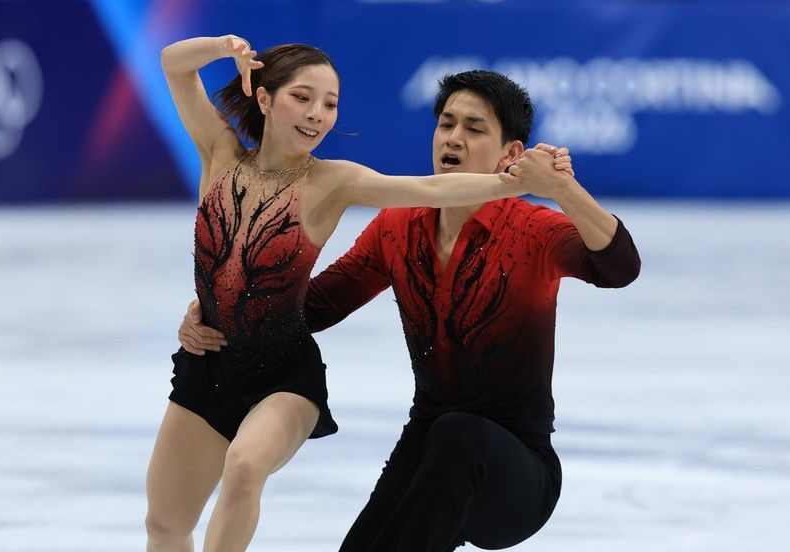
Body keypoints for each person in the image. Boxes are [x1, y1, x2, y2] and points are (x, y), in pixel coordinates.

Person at [177, 69, 641, 551]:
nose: (454, 138)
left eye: (474, 128)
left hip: (516, 476)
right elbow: (316, 305)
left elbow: (620, 267)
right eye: (446, 124)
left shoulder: (533, 230)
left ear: (511, 155)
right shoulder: (398, 226)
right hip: (427, 449)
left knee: (457, 436)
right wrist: (219, 310)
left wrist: (563, 189)